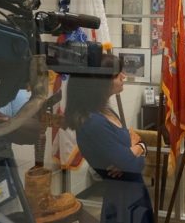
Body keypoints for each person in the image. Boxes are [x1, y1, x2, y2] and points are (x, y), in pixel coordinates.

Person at [65, 55, 154, 223]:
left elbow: (131, 156)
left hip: (133, 192)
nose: (123, 76)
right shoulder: (93, 122)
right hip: (122, 201)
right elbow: (132, 165)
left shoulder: (105, 111)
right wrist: (138, 150)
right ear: (100, 82)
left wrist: (137, 147)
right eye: (116, 74)